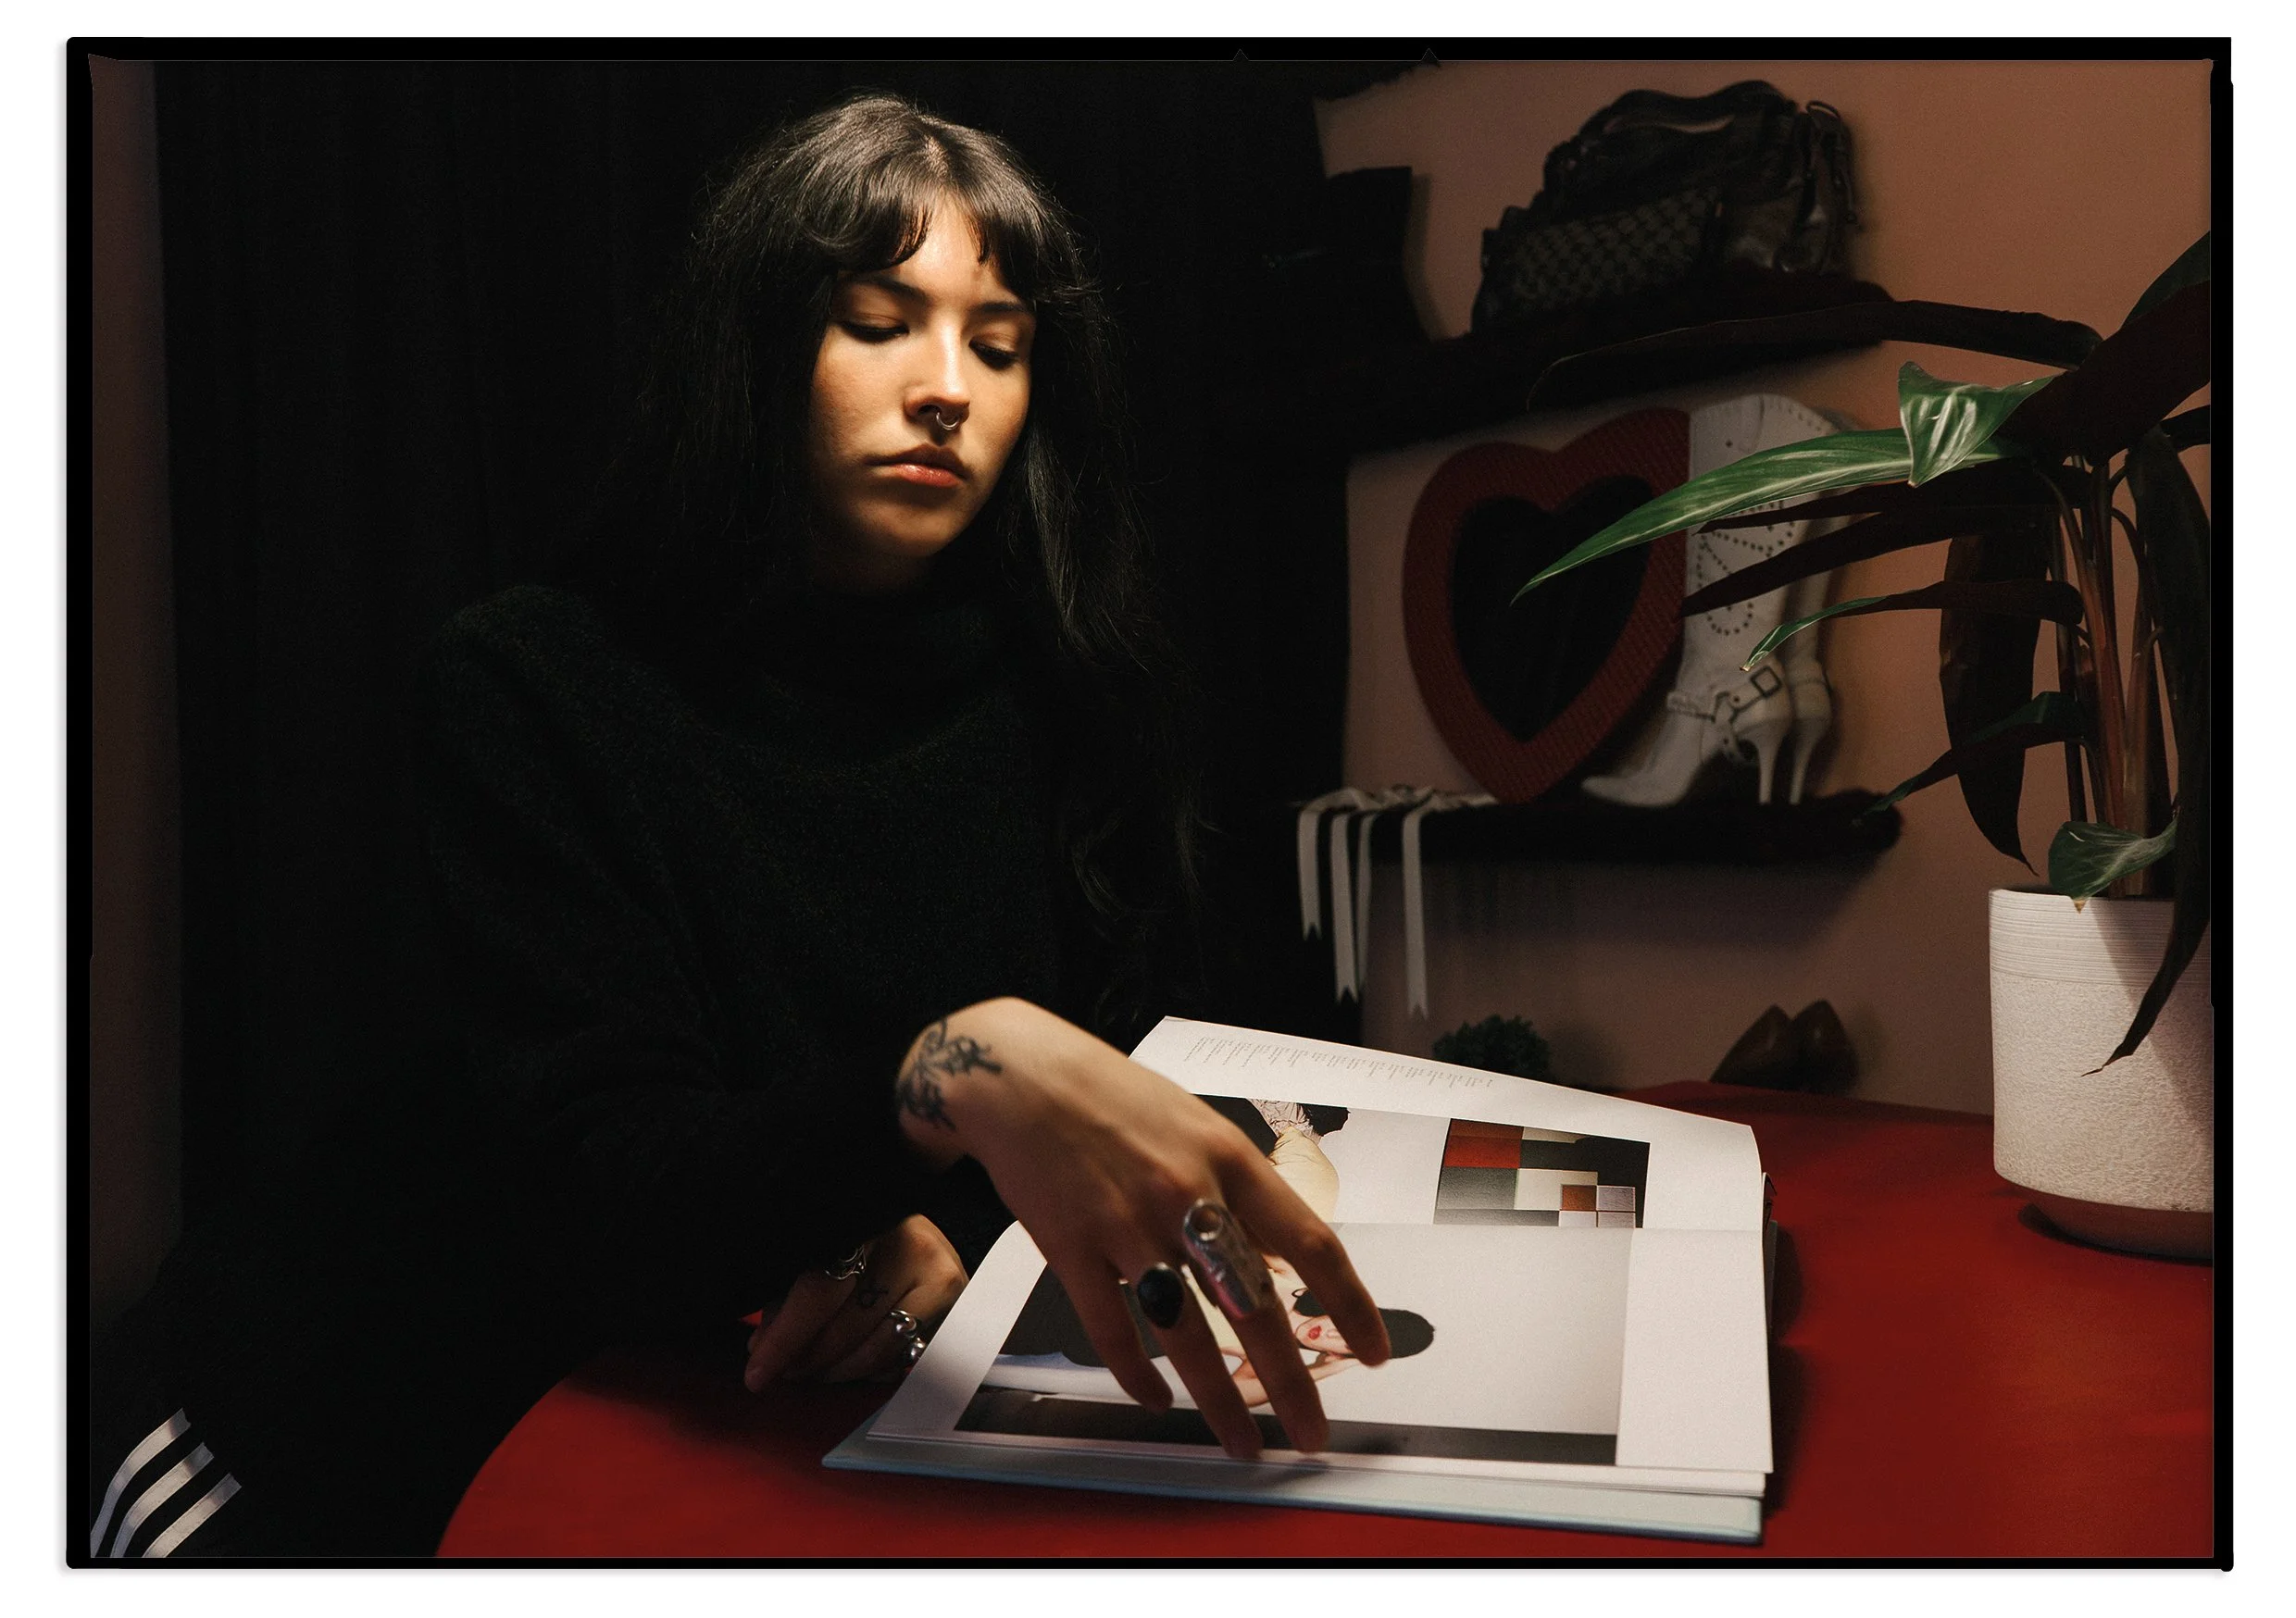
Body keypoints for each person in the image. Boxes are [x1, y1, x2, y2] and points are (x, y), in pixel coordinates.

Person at [85, 90, 1388, 1560]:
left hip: (721, 1437)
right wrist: (953, 1073)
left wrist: (933, 1240)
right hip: (340, 1419)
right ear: (756, 343)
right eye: (877, 322)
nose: (947, 387)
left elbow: (1090, 1102)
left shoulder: (1076, 696)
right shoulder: (533, 683)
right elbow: (608, 1185)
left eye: (999, 344)